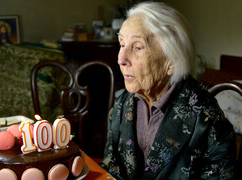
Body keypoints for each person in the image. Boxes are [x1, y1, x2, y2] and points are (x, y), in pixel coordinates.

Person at [100, 2, 236, 179]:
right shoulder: (122, 106)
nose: (121, 59)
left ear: (171, 62)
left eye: (137, 47)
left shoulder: (207, 118)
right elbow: (110, 168)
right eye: (122, 44)